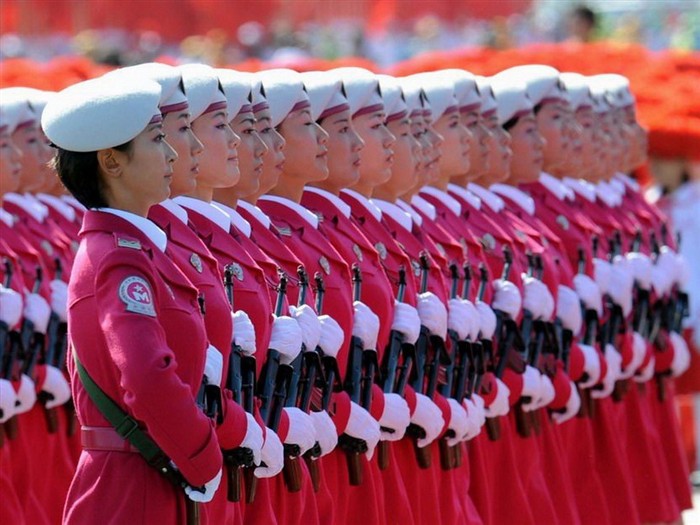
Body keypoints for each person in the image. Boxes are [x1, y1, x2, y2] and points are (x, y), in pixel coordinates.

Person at [42, 75, 225, 523]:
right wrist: (203, 455)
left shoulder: (133, 249)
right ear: (111, 162)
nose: (173, 154)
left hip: (148, 477)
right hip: (132, 489)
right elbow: (145, 375)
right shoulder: (118, 260)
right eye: (158, 139)